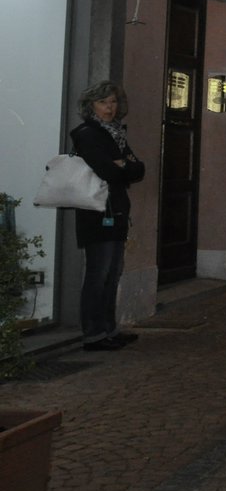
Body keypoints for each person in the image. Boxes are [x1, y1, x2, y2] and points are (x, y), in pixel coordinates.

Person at [69, 81, 145, 352]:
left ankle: (109, 329)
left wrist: (123, 165)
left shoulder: (116, 134)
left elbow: (139, 169)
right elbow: (108, 171)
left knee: (113, 272)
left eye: (112, 101)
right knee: (98, 272)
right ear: (91, 106)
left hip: (117, 208)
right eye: (103, 102)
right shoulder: (86, 134)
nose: (109, 107)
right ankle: (93, 334)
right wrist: (123, 166)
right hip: (96, 211)